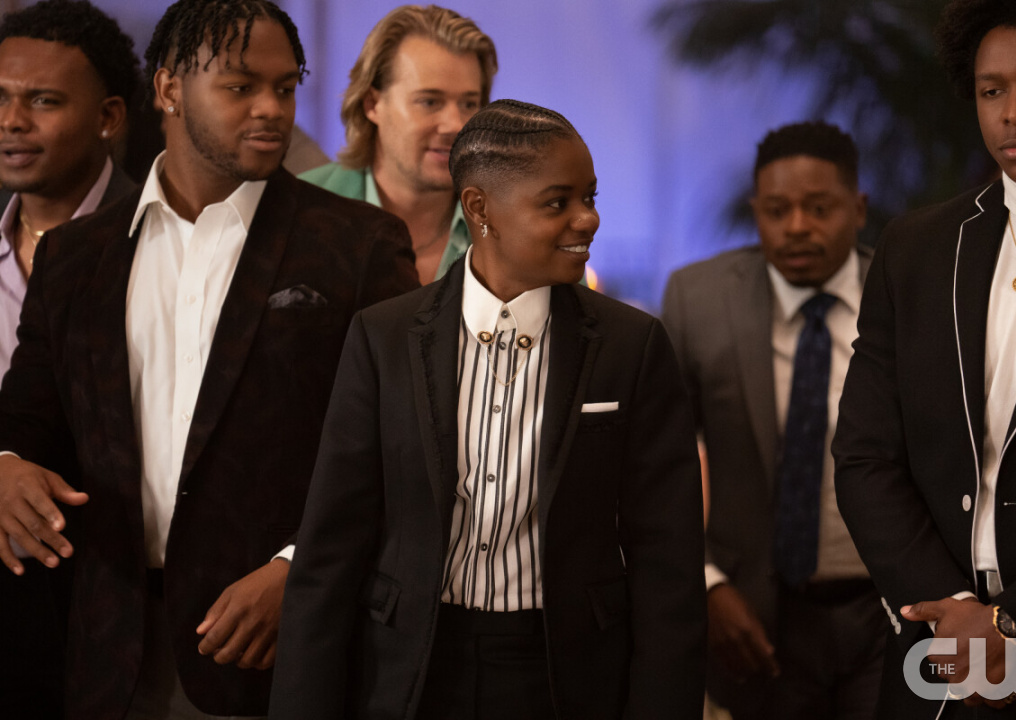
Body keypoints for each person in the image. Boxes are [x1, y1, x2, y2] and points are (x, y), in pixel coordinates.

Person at [0, 0, 418, 718]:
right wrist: (6, 462)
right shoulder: (75, 255)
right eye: (240, 86)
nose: (271, 108)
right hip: (106, 650)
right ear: (168, 89)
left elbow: (400, 442)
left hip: (280, 650)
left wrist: (300, 568)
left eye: (285, 87)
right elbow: (30, 414)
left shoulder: (360, 244)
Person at [270, 99, 705, 720]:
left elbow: (669, 563)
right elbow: (331, 548)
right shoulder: (384, 336)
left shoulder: (632, 346)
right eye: (557, 202)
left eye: (590, 197)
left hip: (565, 675)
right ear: (479, 209)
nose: (588, 219)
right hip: (410, 670)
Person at [833, 0, 1016, 717]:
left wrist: (1015, 621)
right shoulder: (917, 249)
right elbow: (865, 456)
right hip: (939, 651)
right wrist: (955, 615)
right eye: (991, 90)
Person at [662, 121, 886, 720]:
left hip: (887, 611)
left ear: (858, 208)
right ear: (756, 210)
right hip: (752, 611)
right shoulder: (700, 300)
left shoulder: (907, 294)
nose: (797, 227)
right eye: (777, 210)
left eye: (820, 208)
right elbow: (655, 465)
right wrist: (705, 582)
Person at [0, 2, 141, 716]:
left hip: (109, 608)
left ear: (109, 117)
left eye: (42, 101)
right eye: (0, 98)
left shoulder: (158, 240)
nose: (11, 121)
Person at [300, 4, 497, 285]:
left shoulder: (507, 221)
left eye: (468, 104)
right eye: (430, 101)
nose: (455, 124)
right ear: (373, 104)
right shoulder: (299, 211)